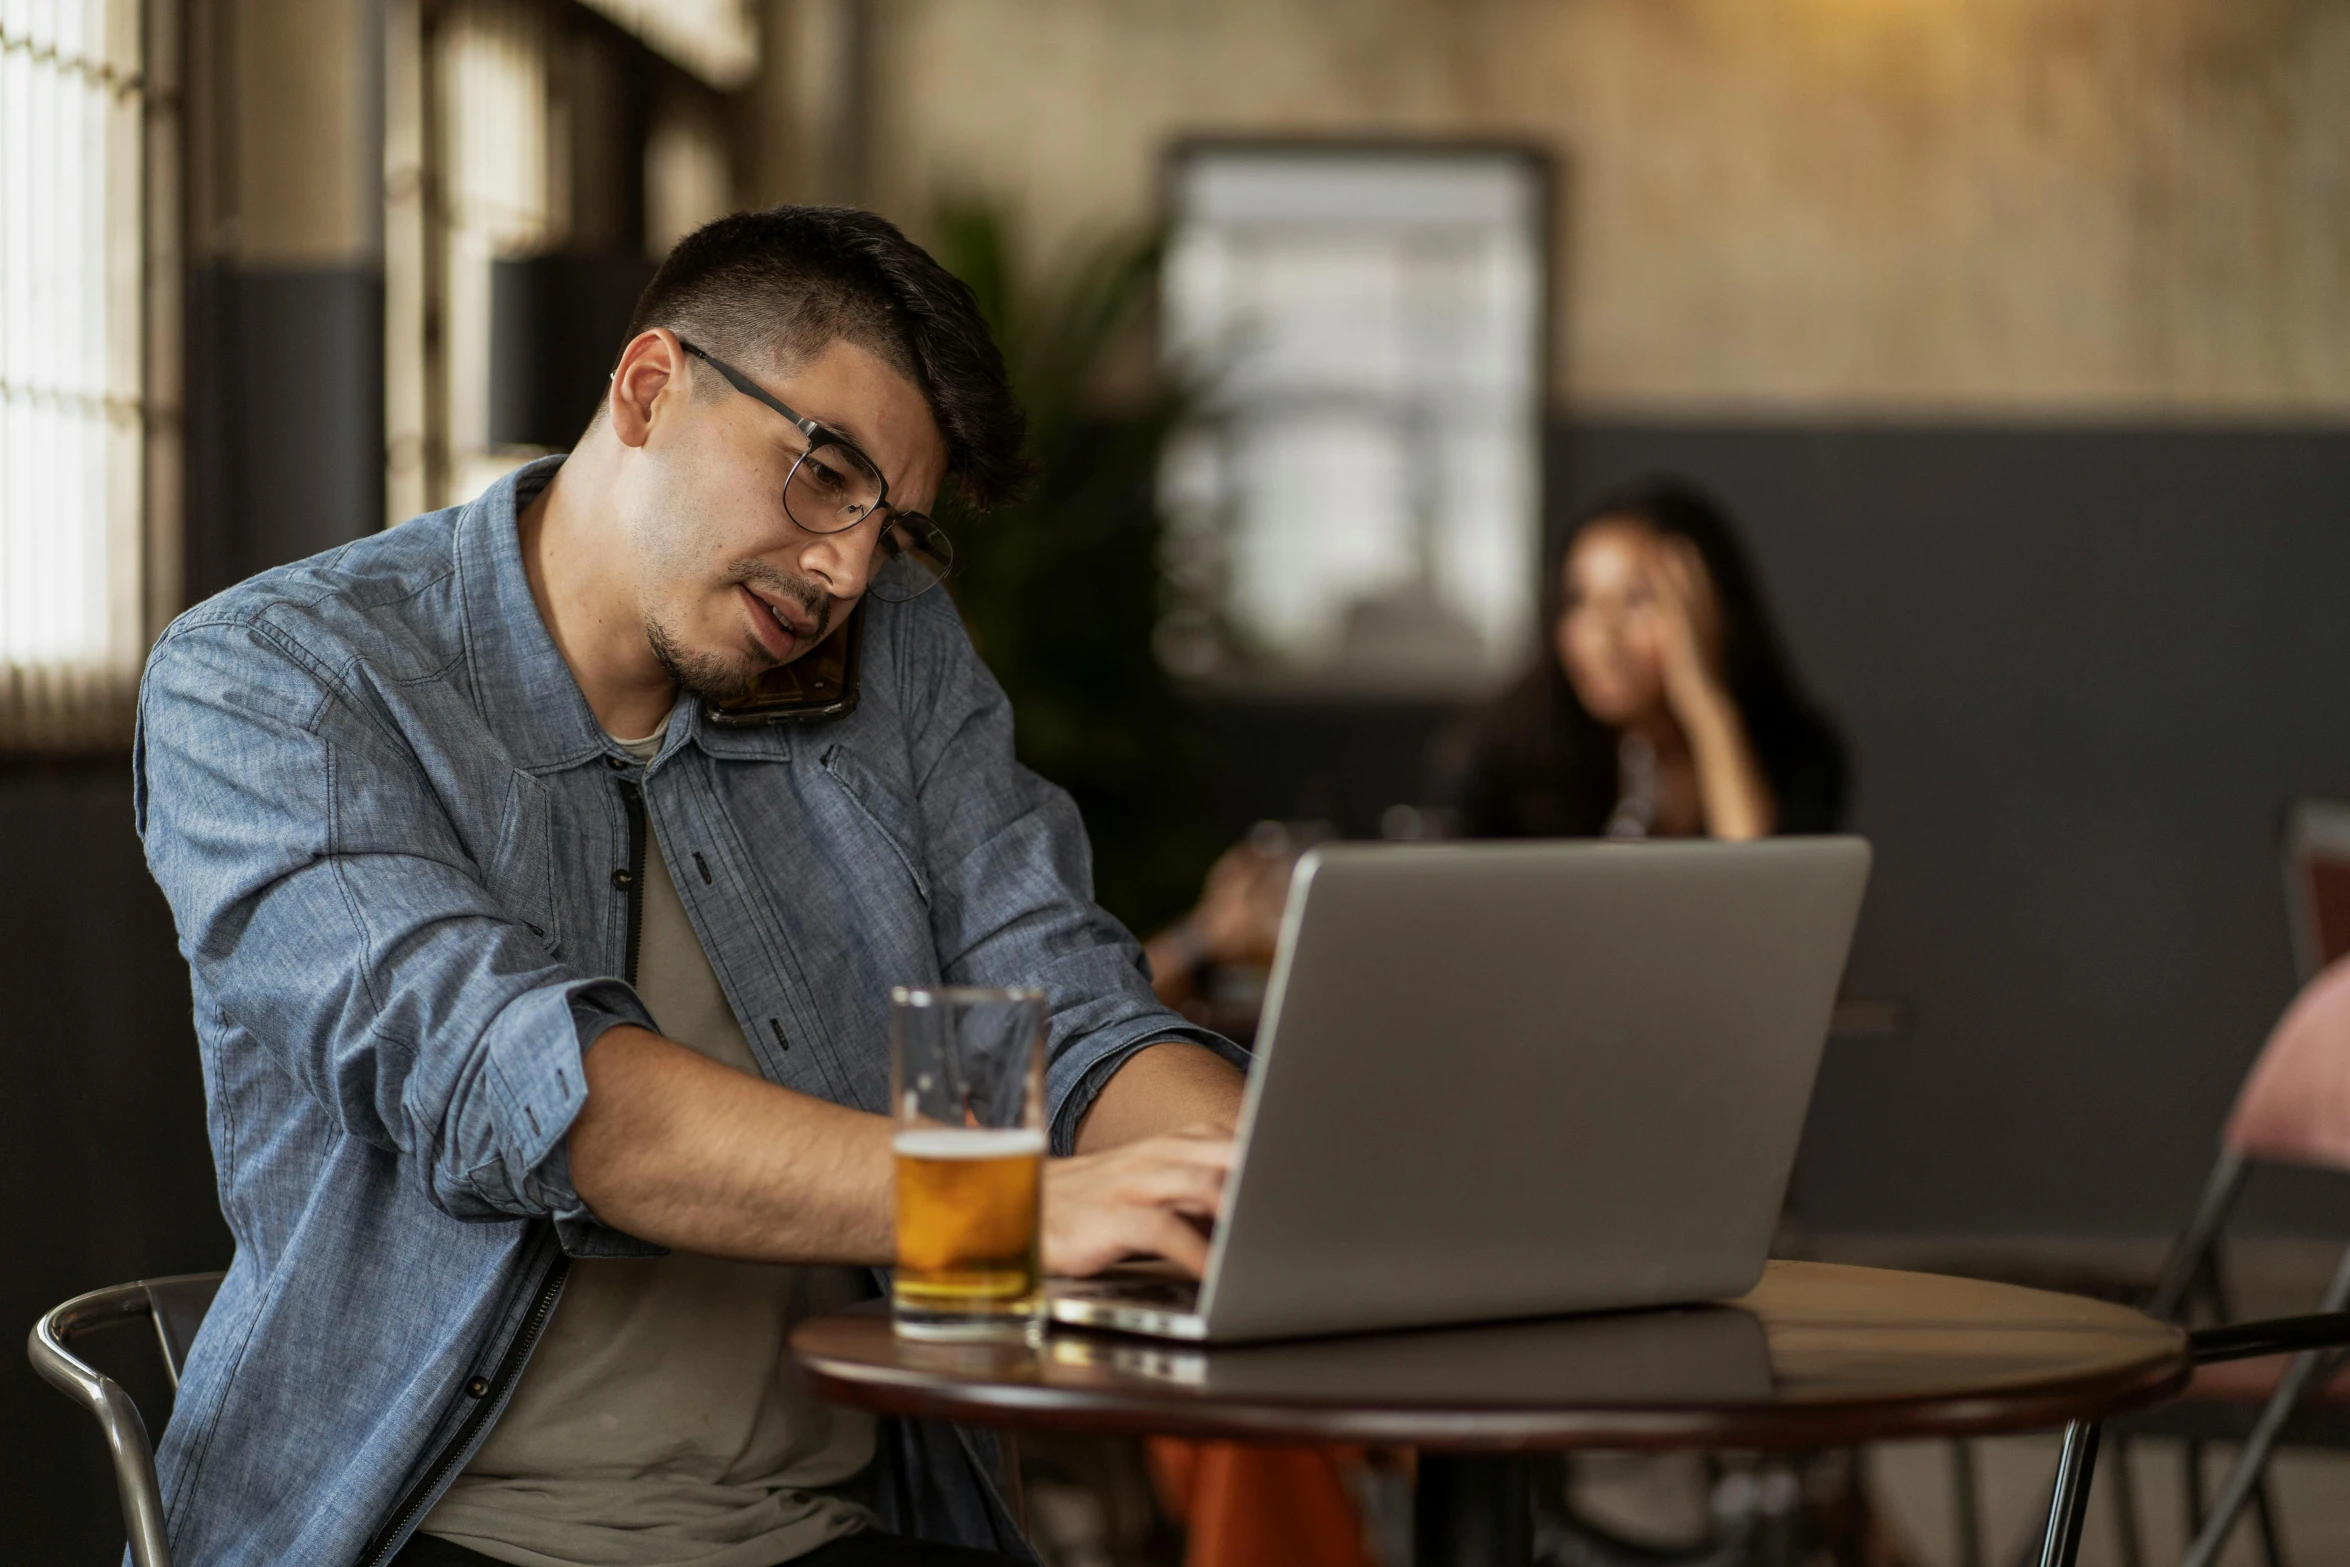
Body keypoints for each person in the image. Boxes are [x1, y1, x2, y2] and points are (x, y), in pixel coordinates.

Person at [134, 207, 1248, 1567]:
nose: (846, 567)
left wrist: (1241, 1174)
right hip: (430, 1527)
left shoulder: (895, 652)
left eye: (892, 527)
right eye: (824, 473)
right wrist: (1011, 1208)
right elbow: (521, 1088)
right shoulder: (279, 677)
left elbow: (1066, 1005)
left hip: (828, 1521)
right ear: (650, 387)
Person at [1450, 477, 1847, 842]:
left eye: (1637, 599)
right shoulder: (1507, 759)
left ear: (1711, 612)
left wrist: (1707, 708)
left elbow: (1768, 893)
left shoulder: (1797, 754)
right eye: (1578, 601)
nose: (1602, 637)